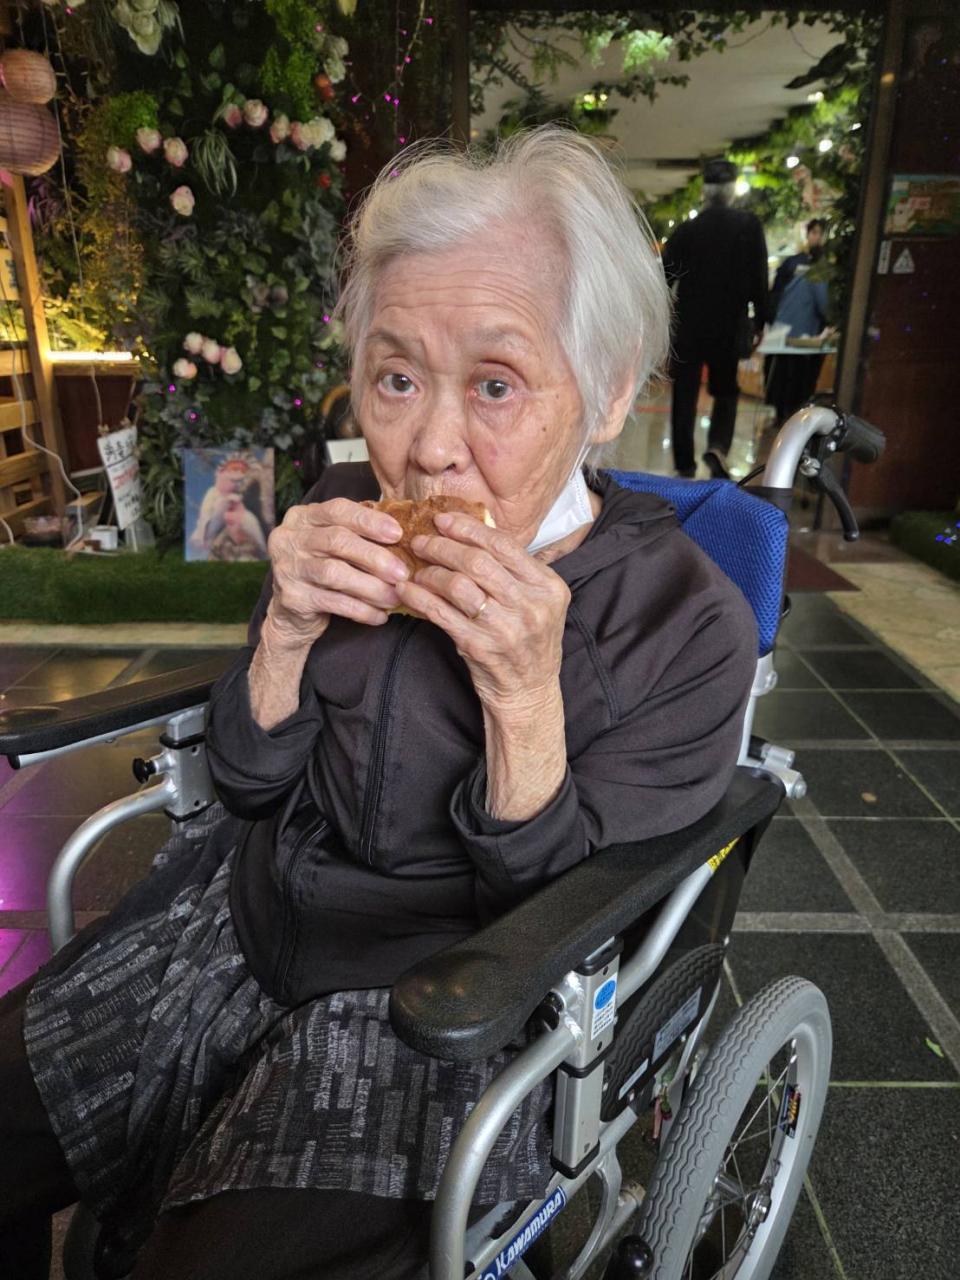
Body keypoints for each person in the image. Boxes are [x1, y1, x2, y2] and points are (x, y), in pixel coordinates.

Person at [0, 127, 757, 1280]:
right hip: (244, 919)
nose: (429, 449)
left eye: (495, 384)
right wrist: (285, 630)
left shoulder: (684, 623)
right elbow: (248, 780)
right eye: (397, 378)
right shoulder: (346, 503)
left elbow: (558, 923)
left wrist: (522, 695)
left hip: (442, 1005)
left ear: (606, 392)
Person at [663, 157, 769, 478]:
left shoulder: (688, 230)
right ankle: (718, 447)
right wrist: (761, 320)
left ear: (705, 192)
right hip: (729, 322)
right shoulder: (749, 227)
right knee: (725, 389)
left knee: (685, 391)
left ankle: (684, 463)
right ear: (732, 190)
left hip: (689, 324)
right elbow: (759, 277)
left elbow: (664, 277)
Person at [765, 220, 832, 428]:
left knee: (782, 375)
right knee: (798, 379)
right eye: (815, 232)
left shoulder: (792, 262)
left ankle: (780, 415)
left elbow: (775, 292)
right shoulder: (820, 267)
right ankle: (792, 418)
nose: (817, 237)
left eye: (820, 233)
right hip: (804, 334)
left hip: (782, 330)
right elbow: (823, 303)